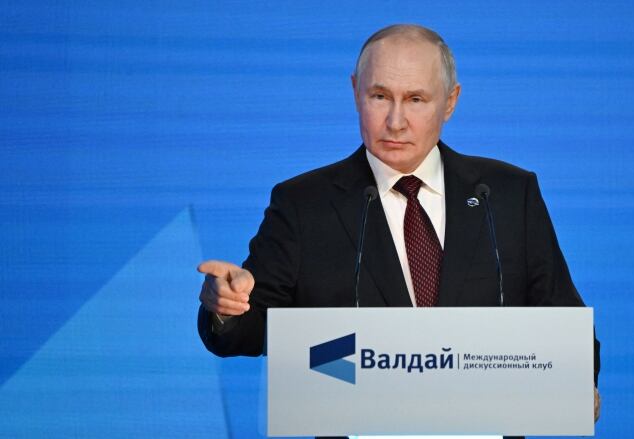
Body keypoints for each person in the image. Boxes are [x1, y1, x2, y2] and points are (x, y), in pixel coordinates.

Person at [197, 24, 601, 425]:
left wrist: (579, 380)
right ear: (355, 91)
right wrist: (228, 307)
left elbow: (565, 324)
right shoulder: (304, 204)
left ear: (450, 101)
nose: (396, 121)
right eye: (379, 96)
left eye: (416, 99)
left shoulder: (509, 194)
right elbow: (250, 330)